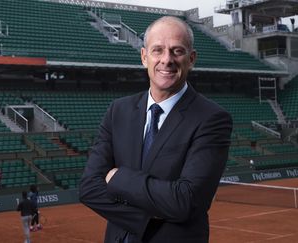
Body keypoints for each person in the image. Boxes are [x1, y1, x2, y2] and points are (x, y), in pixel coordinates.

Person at [79, 16, 233, 243]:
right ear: (144, 57)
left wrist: (118, 178)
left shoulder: (212, 118)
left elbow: (185, 201)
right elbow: (89, 187)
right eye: (157, 50)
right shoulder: (118, 111)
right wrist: (148, 218)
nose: (166, 60)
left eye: (177, 51)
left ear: (191, 59)